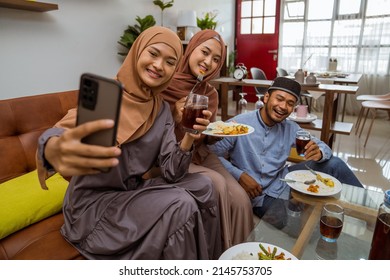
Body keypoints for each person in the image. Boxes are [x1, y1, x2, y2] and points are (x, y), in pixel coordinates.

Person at [36, 26, 222, 260]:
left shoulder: (161, 108)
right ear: (137, 52)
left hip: (130, 193)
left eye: (169, 62)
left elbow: (172, 172)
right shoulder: (107, 96)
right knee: (180, 203)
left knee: (204, 185)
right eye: (153, 54)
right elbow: (61, 133)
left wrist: (188, 137)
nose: (158, 65)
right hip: (92, 208)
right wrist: (54, 149)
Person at [209, 77, 364, 218]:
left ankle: (374, 211)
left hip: (283, 180)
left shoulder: (291, 127)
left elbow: (324, 147)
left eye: (290, 103)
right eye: (280, 99)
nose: (283, 107)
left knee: (335, 164)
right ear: (266, 97)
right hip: (258, 195)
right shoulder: (239, 124)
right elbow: (211, 155)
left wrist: (320, 151)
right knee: (294, 223)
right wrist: (239, 175)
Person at [160, 29, 253, 249]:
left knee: (240, 200)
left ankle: (242, 257)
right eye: (205, 52)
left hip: (199, 154)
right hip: (170, 156)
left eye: (216, 59)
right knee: (218, 184)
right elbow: (152, 131)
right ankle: (219, 253)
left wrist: (215, 132)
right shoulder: (163, 81)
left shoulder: (209, 93)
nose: (208, 62)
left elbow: (205, 137)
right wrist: (174, 115)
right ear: (191, 48)